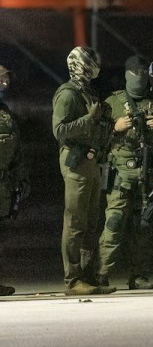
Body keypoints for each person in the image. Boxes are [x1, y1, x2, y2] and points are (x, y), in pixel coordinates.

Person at [94, 55, 153, 290]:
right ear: (126, 75)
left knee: (142, 227)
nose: (140, 77)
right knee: (114, 223)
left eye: (144, 72)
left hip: (146, 172)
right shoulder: (112, 103)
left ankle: (139, 275)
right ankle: (101, 274)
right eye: (136, 72)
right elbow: (95, 135)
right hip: (120, 174)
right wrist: (115, 127)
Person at [52, 46, 116, 296]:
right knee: (75, 221)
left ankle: (87, 276)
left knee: (91, 222)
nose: (96, 66)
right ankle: (73, 279)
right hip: (76, 162)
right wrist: (90, 119)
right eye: (91, 62)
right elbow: (59, 131)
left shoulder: (86, 92)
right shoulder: (68, 94)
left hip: (90, 162)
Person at [0, 65, 29, 296]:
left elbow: (15, 149)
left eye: (6, 80)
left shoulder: (5, 113)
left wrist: (21, 177)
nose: (5, 84)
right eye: (1, 80)